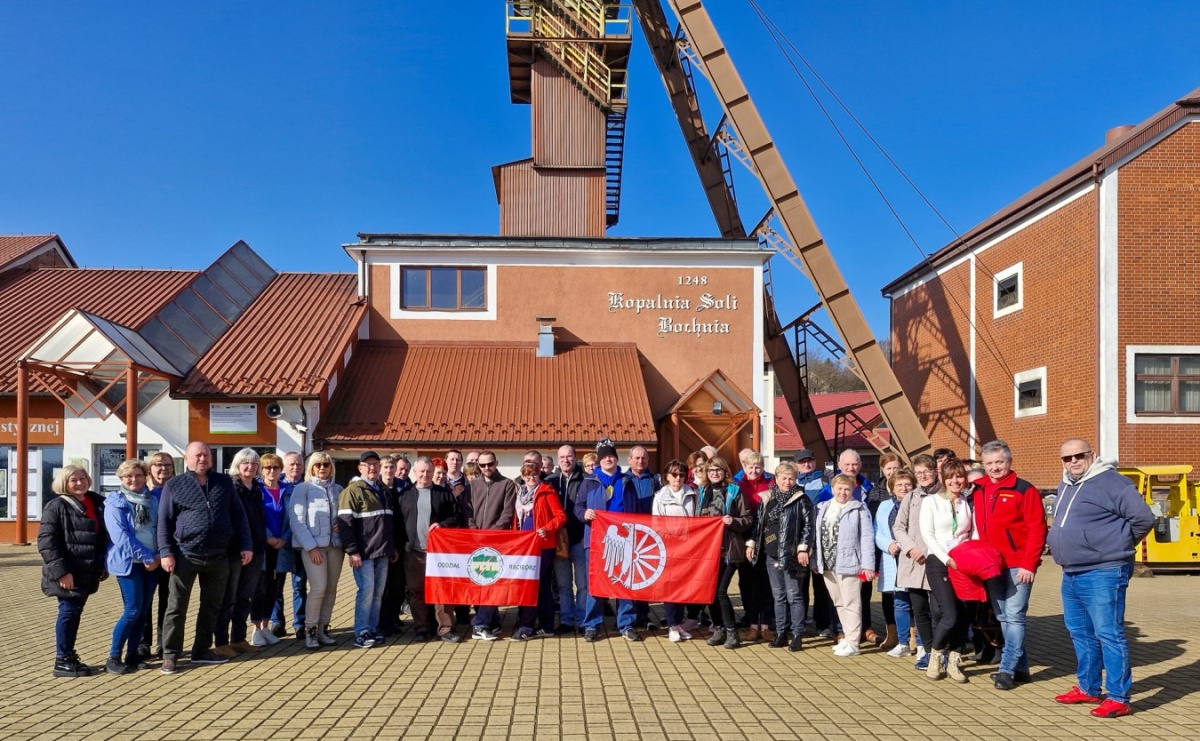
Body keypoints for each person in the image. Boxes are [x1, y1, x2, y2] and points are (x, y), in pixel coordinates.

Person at [1049, 439, 1154, 718]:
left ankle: (1119, 697)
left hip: (1103, 571)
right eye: (1067, 458)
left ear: (1091, 455)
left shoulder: (1113, 482)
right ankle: (1088, 688)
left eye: (1079, 455)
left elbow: (1143, 519)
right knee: (1080, 633)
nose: (1073, 461)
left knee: (1109, 634)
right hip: (1070, 572)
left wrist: (1115, 545)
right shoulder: (1066, 484)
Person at [158, 442, 253, 674]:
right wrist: (166, 552)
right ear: (186, 459)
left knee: (212, 606)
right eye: (198, 455)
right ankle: (170, 654)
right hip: (185, 556)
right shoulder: (175, 484)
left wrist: (246, 545)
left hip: (219, 556)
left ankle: (201, 650)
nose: (203, 459)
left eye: (206, 455)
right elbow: (164, 521)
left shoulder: (224, 483)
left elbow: (239, 516)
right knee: (176, 608)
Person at [977, 440, 1047, 691]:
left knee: (1015, 617)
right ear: (983, 465)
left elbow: (1038, 529)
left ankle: (1006, 670)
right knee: (1003, 617)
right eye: (990, 463)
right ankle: (1022, 668)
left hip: (1019, 566)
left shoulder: (1024, 490)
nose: (995, 467)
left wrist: (1030, 564)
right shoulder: (978, 489)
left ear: (1009, 462)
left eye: (999, 462)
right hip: (991, 566)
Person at [38, 464, 108, 677]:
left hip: (87, 571)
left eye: (83, 478)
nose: (80, 483)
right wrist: (61, 572)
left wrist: (102, 565)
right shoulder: (56, 506)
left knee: (74, 612)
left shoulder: (96, 503)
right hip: (68, 572)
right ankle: (62, 660)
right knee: (68, 612)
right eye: (74, 480)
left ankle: (68, 655)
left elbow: (101, 537)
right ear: (64, 483)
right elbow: (47, 541)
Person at [576, 442, 640, 642]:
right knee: (595, 582)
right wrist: (584, 513)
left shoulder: (627, 480)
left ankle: (626, 624)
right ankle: (592, 624)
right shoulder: (590, 480)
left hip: (625, 539)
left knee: (624, 580)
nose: (608, 459)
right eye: (604, 457)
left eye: (611, 456)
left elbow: (636, 509)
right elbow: (578, 506)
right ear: (599, 460)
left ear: (616, 458)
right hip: (596, 539)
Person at [748, 461, 815, 652]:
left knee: (795, 595)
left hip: (793, 555)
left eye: (791, 478)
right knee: (778, 596)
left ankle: (797, 635)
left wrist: (803, 548)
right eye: (784, 478)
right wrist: (752, 543)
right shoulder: (768, 498)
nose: (787, 481)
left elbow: (809, 526)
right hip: (771, 553)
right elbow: (759, 524)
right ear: (776, 479)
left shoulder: (802, 499)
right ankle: (780, 632)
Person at [920, 460, 976, 683]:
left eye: (960, 477)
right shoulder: (931, 502)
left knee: (964, 613)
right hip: (939, 561)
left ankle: (955, 659)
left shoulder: (965, 503)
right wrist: (946, 558)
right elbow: (928, 535)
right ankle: (936, 656)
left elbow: (972, 532)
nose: (955, 481)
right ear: (943, 479)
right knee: (949, 614)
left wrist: (972, 555)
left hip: (964, 562)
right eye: (951, 477)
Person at [398, 457, 463, 642]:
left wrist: (442, 525)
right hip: (413, 552)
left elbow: (456, 517)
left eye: (428, 471)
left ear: (433, 472)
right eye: (421, 471)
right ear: (415, 473)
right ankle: (421, 628)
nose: (425, 475)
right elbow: (397, 524)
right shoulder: (404, 495)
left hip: (439, 553)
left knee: (443, 591)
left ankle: (446, 628)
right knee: (416, 592)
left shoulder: (443, 493)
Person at [337, 450, 397, 649]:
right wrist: (352, 551)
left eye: (375, 464)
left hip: (383, 551)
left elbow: (388, 523)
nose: (372, 467)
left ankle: (372, 628)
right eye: (367, 464)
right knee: (366, 591)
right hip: (364, 553)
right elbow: (345, 524)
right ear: (360, 468)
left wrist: (392, 547)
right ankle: (361, 631)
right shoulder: (352, 491)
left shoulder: (384, 490)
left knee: (378, 593)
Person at [103, 459, 159, 675]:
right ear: (121, 479)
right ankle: (113, 656)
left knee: (143, 612)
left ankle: (133, 654)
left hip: (152, 563)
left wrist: (158, 556)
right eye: (128, 477)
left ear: (145, 476)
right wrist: (146, 556)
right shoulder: (115, 502)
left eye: (137, 475)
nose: (133, 480)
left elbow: (160, 528)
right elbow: (121, 537)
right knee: (132, 610)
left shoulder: (152, 500)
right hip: (130, 564)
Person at [814, 473, 874, 657]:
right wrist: (815, 561)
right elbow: (815, 537)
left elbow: (866, 537)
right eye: (839, 488)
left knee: (852, 603)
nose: (842, 492)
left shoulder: (859, 509)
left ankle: (854, 642)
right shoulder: (822, 507)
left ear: (852, 490)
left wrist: (868, 565)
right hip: (828, 563)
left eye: (847, 489)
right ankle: (847, 638)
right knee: (839, 602)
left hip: (850, 562)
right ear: (832, 489)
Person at [289, 452, 343, 649]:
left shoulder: (338, 489)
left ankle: (323, 629)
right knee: (318, 588)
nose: (322, 468)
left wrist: (342, 526)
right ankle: (310, 631)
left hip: (335, 546)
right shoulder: (303, 489)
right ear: (311, 467)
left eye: (326, 464)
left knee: (331, 589)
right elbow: (297, 521)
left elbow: (346, 515)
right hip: (313, 547)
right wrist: (311, 548)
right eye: (318, 464)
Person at [218, 448, 267, 657]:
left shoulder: (257, 488)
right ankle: (221, 642)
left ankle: (238, 638)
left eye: (254, 463)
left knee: (245, 597)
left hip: (256, 549)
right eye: (246, 463)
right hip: (235, 551)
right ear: (237, 465)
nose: (250, 467)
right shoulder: (231, 487)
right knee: (228, 598)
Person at [697, 456, 751, 649]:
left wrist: (733, 522)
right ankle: (718, 628)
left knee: (720, 591)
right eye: (711, 471)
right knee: (710, 593)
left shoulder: (735, 491)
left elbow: (748, 519)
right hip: (708, 551)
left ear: (725, 471)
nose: (714, 474)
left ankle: (732, 632)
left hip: (728, 550)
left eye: (718, 470)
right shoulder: (702, 492)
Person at [464, 450, 517, 640]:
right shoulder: (472, 486)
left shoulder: (507, 485)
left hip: (496, 541)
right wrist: (474, 532)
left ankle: (480, 623)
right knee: (480, 582)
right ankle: (488, 621)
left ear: (497, 463)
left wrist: (492, 533)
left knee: (492, 583)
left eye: (490, 464)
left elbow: (507, 512)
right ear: (478, 466)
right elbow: (467, 511)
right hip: (475, 540)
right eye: (483, 465)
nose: (487, 468)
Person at [512, 461, 566, 640]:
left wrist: (547, 528)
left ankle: (536, 625)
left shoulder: (546, 492)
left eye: (534, 475)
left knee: (539, 586)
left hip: (542, 546)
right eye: (527, 476)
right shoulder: (520, 493)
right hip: (523, 546)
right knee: (528, 585)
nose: (531, 479)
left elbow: (560, 516)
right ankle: (532, 623)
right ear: (523, 477)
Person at [895, 453, 939, 670]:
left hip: (936, 561)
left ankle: (942, 650)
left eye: (926, 471)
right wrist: (911, 548)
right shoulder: (910, 497)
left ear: (935, 471)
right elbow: (898, 527)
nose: (923, 476)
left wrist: (929, 550)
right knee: (919, 610)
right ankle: (928, 651)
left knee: (940, 611)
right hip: (913, 563)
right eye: (918, 472)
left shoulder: (944, 494)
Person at [875, 469, 922, 659]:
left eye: (907, 484)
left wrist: (907, 546)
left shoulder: (920, 503)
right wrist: (888, 544)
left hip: (914, 558)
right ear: (892, 488)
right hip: (892, 559)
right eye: (899, 485)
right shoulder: (884, 506)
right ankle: (903, 642)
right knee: (900, 603)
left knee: (919, 604)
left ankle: (921, 644)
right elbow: (876, 530)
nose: (903, 488)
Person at [651, 459, 698, 642]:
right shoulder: (659, 496)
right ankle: (671, 624)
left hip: (688, 547)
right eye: (674, 474)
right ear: (667, 476)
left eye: (681, 474)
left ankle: (678, 622)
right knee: (670, 587)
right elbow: (656, 523)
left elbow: (696, 518)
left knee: (683, 587)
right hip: (669, 547)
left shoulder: (692, 494)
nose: (677, 478)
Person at [547, 445, 587, 634]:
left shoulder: (587, 480)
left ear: (575, 457)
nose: (566, 460)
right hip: (559, 542)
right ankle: (566, 620)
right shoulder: (550, 481)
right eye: (562, 457)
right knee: (563, 585)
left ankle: (582, 619)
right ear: (558, 460)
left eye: (569, 456)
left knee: (582, 585)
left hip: (580, 541)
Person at [270, 451, 307, 640]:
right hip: (279, 544)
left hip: (301, 544)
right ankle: (277, 622)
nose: (295, 467)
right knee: (276, 586)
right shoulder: (277, 486)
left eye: (299, 464)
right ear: (284, 466)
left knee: (299, 585)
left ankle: (300, 623)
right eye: (292, 464)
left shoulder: (308, 486)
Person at [141, 452, 175, 659]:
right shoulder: (143, 493)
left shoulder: (177, 490)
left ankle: (165, 644)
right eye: (159, 465)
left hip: (170, 554)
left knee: (168, 603)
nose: (164, 469)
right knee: (145, 603)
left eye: (168, 465)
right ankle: (143, 644)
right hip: (148, 557)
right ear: (149, 469)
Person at [251, 453, 287, 647]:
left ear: (281, 470)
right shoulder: (257, 490)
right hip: (262, 545)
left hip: (281, 545)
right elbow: (255, 518)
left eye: (275, 467)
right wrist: (269, 538)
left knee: (274, 587)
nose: (271, 471)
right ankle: (255, 629)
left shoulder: (286, 490)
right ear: (261, 470)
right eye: (267, 468)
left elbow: (292, 517)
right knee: (259, 587)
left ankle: (266, 626)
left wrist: (284, 538)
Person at [738, 451, 773, 642]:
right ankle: (751, 623)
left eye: (758, 467)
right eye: (750, 467)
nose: (754, 470)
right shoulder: (737, 485)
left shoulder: (770, 484)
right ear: (744, 467)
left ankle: (766, 624)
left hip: (766, 539)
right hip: (744, 539)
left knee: (766, 583)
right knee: (748, 583)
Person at [626, 445, 661, 631]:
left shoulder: (655, 480)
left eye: (644, 458)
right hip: (628, 536)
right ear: (629, 460)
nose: (640, 461)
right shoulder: (622, 480)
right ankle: (627, 616)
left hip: (648, 537)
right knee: (628, 577)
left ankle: (643, 616)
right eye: (637, 458)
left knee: (643, 578)